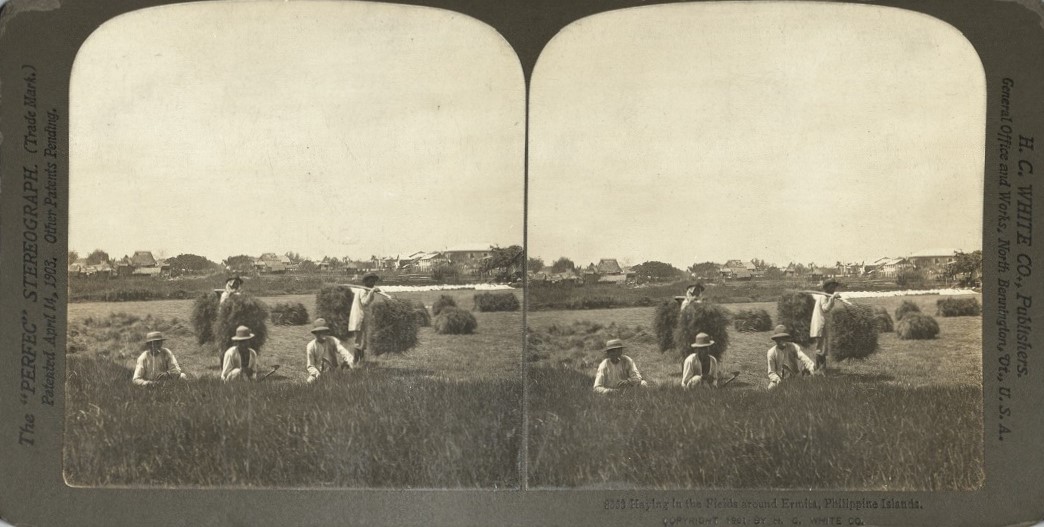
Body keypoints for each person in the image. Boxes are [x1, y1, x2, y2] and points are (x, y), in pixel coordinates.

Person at [305, 318, 358, 383]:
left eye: (324, 331)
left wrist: (350, 361)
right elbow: (310, 365)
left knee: (345, 381)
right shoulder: (311, 346)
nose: (323, 334)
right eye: (320, 332)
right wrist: (317, 374)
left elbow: (343, 351)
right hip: (318, 372)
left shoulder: (332, 340)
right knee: (309, 382)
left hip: (333, 371)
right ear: (316, 333)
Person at [766, 325, 817, 389]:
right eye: (780, 339)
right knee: (770, 389)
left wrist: (811, 366)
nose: (782, 340)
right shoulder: (771, 352)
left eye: (784, 338)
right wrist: (777, 380)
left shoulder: (792, 347)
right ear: (776, 340)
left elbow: (803, 358)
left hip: (794, 376)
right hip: (779, 379)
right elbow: (771, 372)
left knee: (806, 376)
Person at [347, 272, 383, 361]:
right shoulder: (362, 291)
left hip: (363, 318)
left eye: (374, 282)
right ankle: (356, 361)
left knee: (363, 340)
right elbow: (365, 303)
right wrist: (371, 292)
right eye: (371, 281)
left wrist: (371, 292)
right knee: (358, 341)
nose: (372, 284)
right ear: (366, 282)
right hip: (359, 319)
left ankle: (361, 360)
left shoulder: (366, 290)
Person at [809, 279, 842, 373]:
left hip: (822, 324)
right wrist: (832, 298)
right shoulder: (824, 297)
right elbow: (825, 309)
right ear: (827, 287)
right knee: (821, 348)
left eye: (834, 287)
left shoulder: (826, 296)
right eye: (832, 287)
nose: (833, 289)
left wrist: (832, 298)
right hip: (820, 325)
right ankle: (821, 369)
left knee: (821, 347)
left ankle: (819, 368)